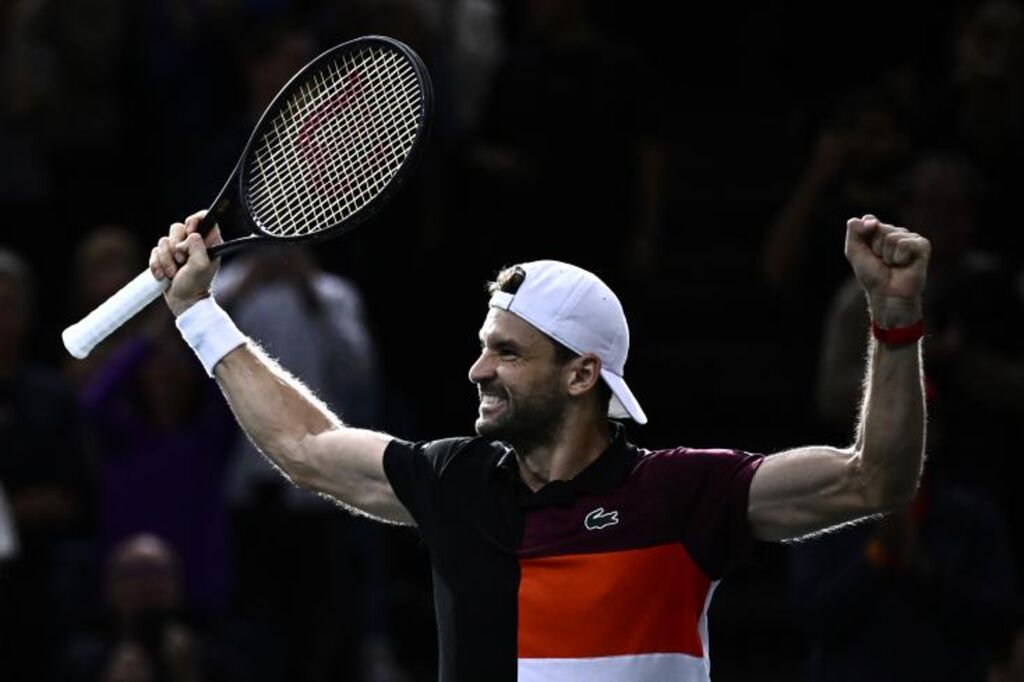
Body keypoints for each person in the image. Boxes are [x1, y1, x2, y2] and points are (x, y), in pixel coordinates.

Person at [143, 210, 929, 681]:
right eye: (485, 347)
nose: (478, 369)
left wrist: (894, 324)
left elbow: (874, 482)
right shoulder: (453, 481)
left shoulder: (682, 494)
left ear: (583, 374)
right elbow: (306, 444)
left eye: (508, 353)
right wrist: (198, 313)